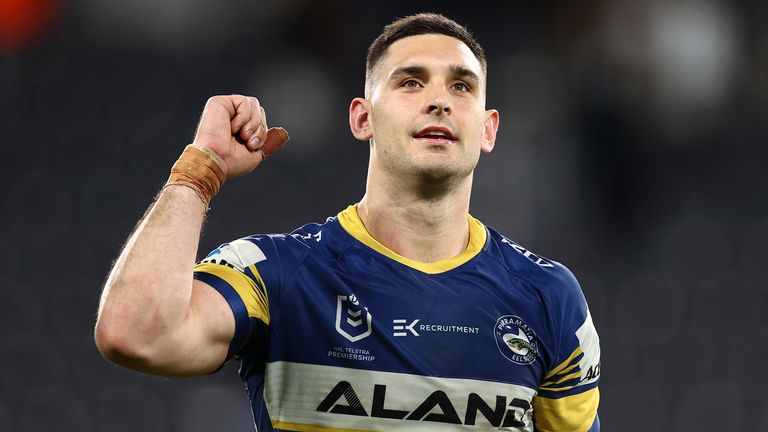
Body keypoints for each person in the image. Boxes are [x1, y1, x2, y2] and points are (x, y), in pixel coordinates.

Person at [95, 12, 601, 432]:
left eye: (462, 86)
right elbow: (134, 334)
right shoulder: (278, 274)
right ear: (362, 118)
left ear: (487, 129)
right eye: (410, 82)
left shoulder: (547, 296)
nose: (440, 100)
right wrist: (200, 169)